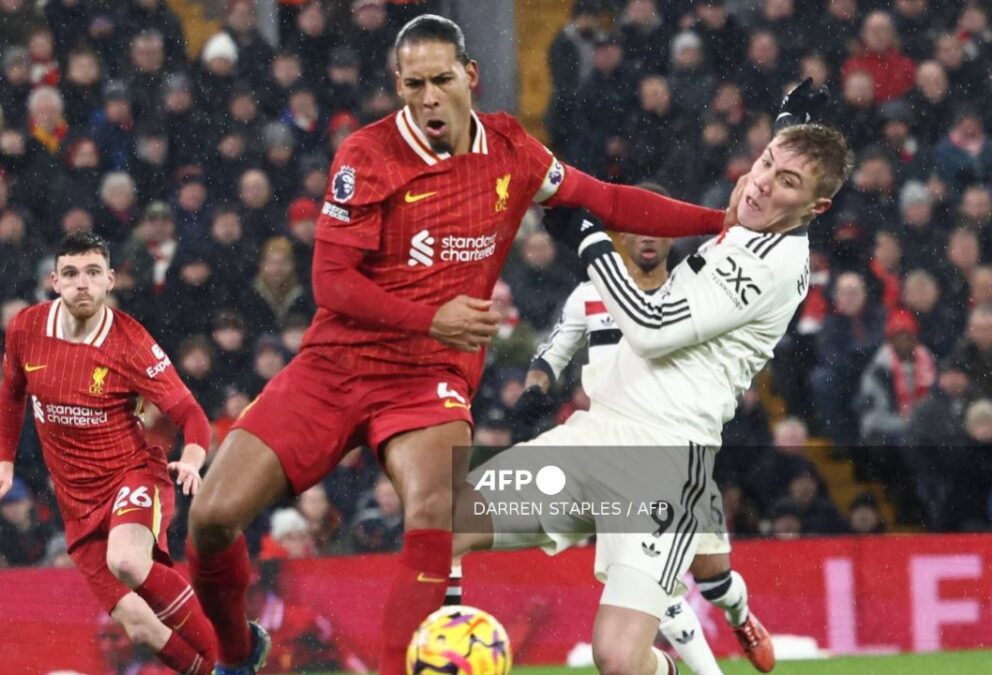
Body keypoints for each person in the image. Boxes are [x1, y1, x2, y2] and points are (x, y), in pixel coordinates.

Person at [187, 14, 731, 675]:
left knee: (435, 514)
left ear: (469, 76)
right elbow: (330, 283)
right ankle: (238, 653)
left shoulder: (511, 152)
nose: (427, 98)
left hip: (427, 381)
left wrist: (724, 220)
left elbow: (609, 198)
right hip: (335, 367)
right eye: (413, 84)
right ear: (398, 85)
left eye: (441, 80)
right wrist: (429, 316)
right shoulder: (366, 155)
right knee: (212, 518)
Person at [459, 90, 852, 675]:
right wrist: (794, 124)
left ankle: (699, 649)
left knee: (619, 657)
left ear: (814, 209)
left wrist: (589, 238)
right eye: (766, 161)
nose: (763, 182)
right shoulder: (757, 215)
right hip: (594, 434)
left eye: (787, 181)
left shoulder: (770, 265)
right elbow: (780, 165)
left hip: (663, 463)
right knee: (442, 521)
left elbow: (652, 326)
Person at [497, 184, 771, 675]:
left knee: (717, 580)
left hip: (675, 451)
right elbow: (551, 353)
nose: (647, 237)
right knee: (651, 589)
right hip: (615, 452)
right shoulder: (589, 295)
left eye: (658, 228)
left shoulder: (689, 293)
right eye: (637, 227)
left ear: (671, 236)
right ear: (619, 234)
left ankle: (744, 618)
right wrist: (535, 389)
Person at [0, 231, 218, 675]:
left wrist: (191, 459)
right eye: (71, 274)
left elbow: (191, 412)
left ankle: (230, 658)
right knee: (143, 629)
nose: (82, 284)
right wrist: (3, 464)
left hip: (132, 475)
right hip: (77, 505)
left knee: (127, 560)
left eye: (93, 273)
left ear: (110, 280)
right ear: (55, 281)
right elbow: (11, 393)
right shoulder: (26, 328)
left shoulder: (130, 341)